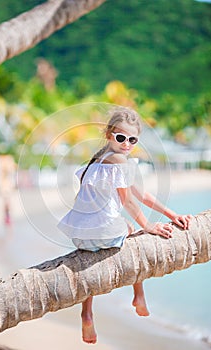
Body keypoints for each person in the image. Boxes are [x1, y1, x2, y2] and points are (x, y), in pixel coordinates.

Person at [57, 106, 192, 344]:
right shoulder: (117, 159)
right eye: (121, 137)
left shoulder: (97, 160)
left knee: (89, 256)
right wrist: (148, 226)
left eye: (132, 140)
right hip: (102, 230)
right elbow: (128, 200)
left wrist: (172, 214)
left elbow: (143, 195)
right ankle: (138, 294)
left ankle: (87, 313)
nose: (126, 144)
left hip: (79, 234)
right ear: (109, 134)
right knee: (133, 233)